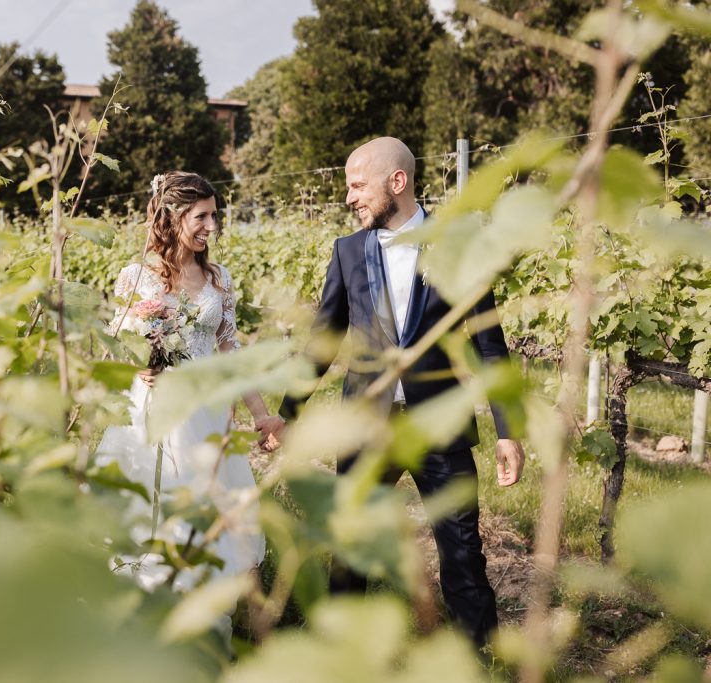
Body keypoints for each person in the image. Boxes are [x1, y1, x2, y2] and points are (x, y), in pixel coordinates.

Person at [268, 137, 526, 647]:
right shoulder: (346, 252)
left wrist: (507, 432)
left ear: (398, 182)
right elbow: (323, 342)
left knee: (462, 551)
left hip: (440, 426)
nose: (349, 197)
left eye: (357, 185)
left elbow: (490, 345)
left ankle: (481, 659)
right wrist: (288, 412)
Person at [95, 171, 277, 606]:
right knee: (157, 502)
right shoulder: (135, 278)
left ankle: (207, 607)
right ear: (171, 216)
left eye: (214, 216)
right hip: (153, 411)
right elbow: (114, 348)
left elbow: (232, 353)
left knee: (211, 508)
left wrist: (261, 413)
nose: (212, 226)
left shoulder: (219, 278)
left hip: (208, 413)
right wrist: (135, 365)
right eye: (202, 216)